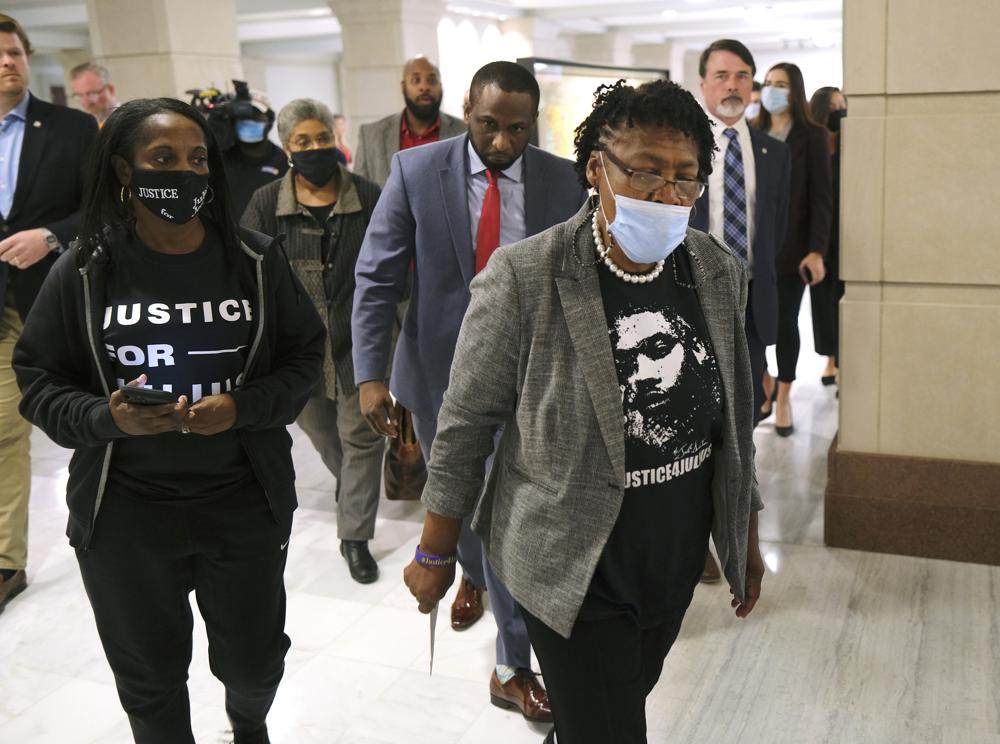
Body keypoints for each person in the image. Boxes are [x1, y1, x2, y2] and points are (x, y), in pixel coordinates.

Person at [402, 78, 764, 744]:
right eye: (646, 172)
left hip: (672, 552)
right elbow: (464, 426)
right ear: (597, 167)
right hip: (569, 560)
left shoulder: (715, 269)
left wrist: (744, 532)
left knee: (604, 709)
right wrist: (435, 548)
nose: (668, 195)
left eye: (686, 178)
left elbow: (733, 412)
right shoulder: (526, 276)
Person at [12, 97, 324, 744]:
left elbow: (303, 359)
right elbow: (39, 381)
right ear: (125, 170)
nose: (185, 172)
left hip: (243, 500)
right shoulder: (84, 270)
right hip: (125, 513)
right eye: (163, 159)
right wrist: (107, 419)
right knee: (149, 678)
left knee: (255, 662)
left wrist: (243, 407)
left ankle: (249, 726)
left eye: (197, 159)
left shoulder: (257, 262)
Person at [353, 60, 586, 724]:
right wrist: (371, 376)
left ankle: (509, 662)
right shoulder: (416, 172)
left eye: (517, 129)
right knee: (467, 502)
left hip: (531, 378)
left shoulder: (561, 179)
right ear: (466, 109)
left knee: (508, 512)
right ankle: (476, 571)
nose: (502, 143)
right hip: (439, 377)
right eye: (489, 125)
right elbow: (376, 279)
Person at [242, 98, 384, 584]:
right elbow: (248, 275)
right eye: (303, 141)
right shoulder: (265, 204)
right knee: (324, 437)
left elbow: (393, 273)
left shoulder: (368, 196)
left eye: (322, 137)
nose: (315, 147)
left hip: (359, 345)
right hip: (295, 354)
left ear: (335, 139)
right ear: (287, 148)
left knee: (361, 438)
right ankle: (355, 498)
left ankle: (355, 538)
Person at [0, 13, 98, 614]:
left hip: (57, 300)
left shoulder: (71, 127)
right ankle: (8, 561)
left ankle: (110, 521)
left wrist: (52, 237)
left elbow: (104, 210)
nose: (7, 61)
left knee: (85, 414)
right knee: (5, 431)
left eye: (14, 52)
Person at [692, 38, 789, 582]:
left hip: (751, 307)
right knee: (691, 423)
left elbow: (773, 233)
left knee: (741, 430)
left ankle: (734, 533)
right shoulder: (681, 144)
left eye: (742, 75)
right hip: (690, 303)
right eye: (722, 75)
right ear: (704, 83)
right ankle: (695, 539)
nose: (732, 85)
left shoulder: (775, 152)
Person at [754, 62, 833, 435]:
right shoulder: (752, 132)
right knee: (749, 323)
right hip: (753, 247)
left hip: (793, 249)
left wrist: (816, 249)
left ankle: (784, 396)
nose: (773, 90)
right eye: (769, 83)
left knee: (786, 323)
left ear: (795, 90)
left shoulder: (811, 135)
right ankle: (764, 380)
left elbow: (822, 197)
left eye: (781, 84)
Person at [354, 56, 466, 187]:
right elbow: (359, 193)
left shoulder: (464, 133)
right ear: (403, 87)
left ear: (441, 87)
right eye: (416, 80)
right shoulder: (371, 136)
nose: (424, 87)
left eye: (431, 80)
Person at [808, 86, 847, 386]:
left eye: (842, 105)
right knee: (822, 299)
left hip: (847, 232)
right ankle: (830, 359)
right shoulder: (814, 146)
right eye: (833, 106)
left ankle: (845, 360)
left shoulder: (851, 148)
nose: (838, 111)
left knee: (844, 297)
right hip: (820, 234)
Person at [221, 91, 288, 217]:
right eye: (243, 118)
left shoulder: (282, 160)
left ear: (269, 121)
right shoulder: (222, 158)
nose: (249, 122)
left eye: (255, 117)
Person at [70, 61, 119, 126]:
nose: (86, 103)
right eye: (79, 96)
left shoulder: (131, 123)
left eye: (92, 94)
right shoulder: (81, 128)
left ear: (110, 90)